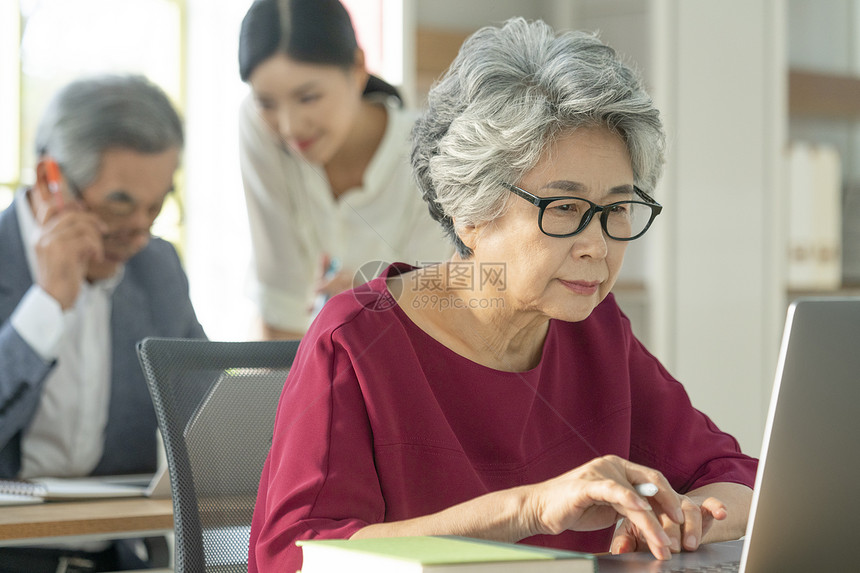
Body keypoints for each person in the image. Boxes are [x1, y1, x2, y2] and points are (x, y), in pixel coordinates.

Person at [247, 18, 759, 572]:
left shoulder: (594, 328)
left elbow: (740, 477)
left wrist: (685, 516)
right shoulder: (355, 340)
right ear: (470, 209)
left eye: (616, 210)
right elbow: (291, 559)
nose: (598, 246)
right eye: (564, 209)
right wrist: (529, 508)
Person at [0, 74, 206, 571]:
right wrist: (46, 305)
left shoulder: (157, 268)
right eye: (120, 204)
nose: (140, 230)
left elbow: (206, 410)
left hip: (118, 554)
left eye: (156, 206)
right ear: (52, 179)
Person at [237, 0, 452, 340]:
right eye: (267, 103)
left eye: (307, 97)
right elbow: (282, 298)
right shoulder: (258, 126)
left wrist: (366, 303)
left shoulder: (432, 153)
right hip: (293, 359)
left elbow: (433, 316)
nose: (290, 126)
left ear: (357, 67)